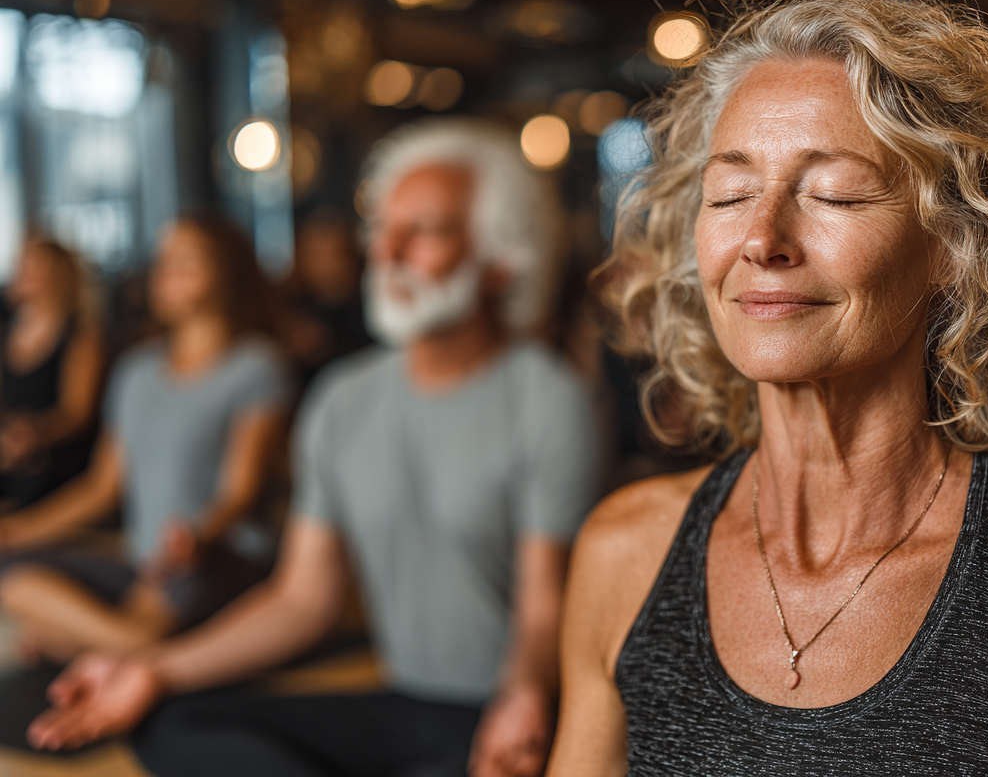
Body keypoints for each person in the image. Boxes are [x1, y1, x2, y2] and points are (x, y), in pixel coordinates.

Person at [547, 0, 988, 776]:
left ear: (957, 248)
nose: (763, 238)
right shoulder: (626, 552)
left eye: (834, 194)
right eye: (730, 195)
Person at [26, 118, 599, 777]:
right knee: (172, 722)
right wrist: (151, 669)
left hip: (516, 711)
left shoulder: (549, 399)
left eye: (426, 232)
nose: (389, 252)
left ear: (501, 261)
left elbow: (546, 605)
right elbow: (303, 600)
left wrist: (523, 693)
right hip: (404, 702)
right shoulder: (343, 398)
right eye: (383, 230)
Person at [0, 216, 289, 658]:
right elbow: (102, 487)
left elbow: (242, 493)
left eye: (184, 260)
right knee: (11, 574)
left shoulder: (256, 366)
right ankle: (114, 642)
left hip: (218, 555)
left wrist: (197, 539)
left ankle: (94, 641)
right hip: (141, 561)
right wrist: (18, 530)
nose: (165, 272)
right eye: (161, 261)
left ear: (227, 271)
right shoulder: (136, 371)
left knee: (152, 612)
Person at [0, 237, 105, 511]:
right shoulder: (10, 328)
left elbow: (77, 414)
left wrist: (34, 433)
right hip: (14, 449)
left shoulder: (81, 335)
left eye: (31, 266)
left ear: (56, 275)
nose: (21, 272)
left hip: (57, 459)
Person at [280, 209, 370, 389]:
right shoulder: (289, 311)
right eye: (317, 254)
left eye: (333, 253)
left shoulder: (372, 306)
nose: (326, 263)